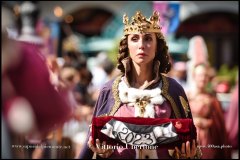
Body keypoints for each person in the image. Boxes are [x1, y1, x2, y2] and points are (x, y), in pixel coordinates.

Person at [79, 11, 201, 159]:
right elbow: (93, 140)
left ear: (157, 46)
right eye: (135, 39)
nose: (141, 45)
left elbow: (188, 140)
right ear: (127, 45)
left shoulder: (174, 89)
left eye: (148, 39)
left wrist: (184, 153)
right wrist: (101, 150)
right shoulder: (109, 89)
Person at [187, 63, 230, 159]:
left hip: (208, 143)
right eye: (200, 75)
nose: (203, 78)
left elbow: (220, 127)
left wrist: (207, 122)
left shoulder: (213, 100)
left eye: (205, 75)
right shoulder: (185, 97)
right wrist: (194, 121)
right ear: (194, 76)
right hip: (188, 143)